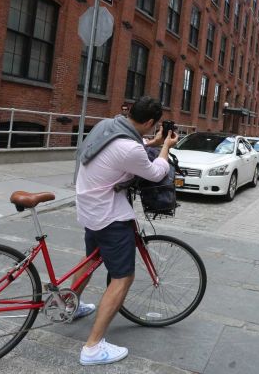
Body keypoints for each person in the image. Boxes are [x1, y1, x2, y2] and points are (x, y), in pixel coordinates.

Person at [73, 96, 179, 365]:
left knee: (91, 261)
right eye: (154, 128)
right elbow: (156, 172)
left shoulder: (106, 125)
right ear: (151, 122)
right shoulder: (130, 148)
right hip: (109, 216)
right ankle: (93, 347)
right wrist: (165, 147)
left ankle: (69, 303)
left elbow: (120, 148)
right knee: (122, 277)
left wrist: (151, 143)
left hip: (88, 207)